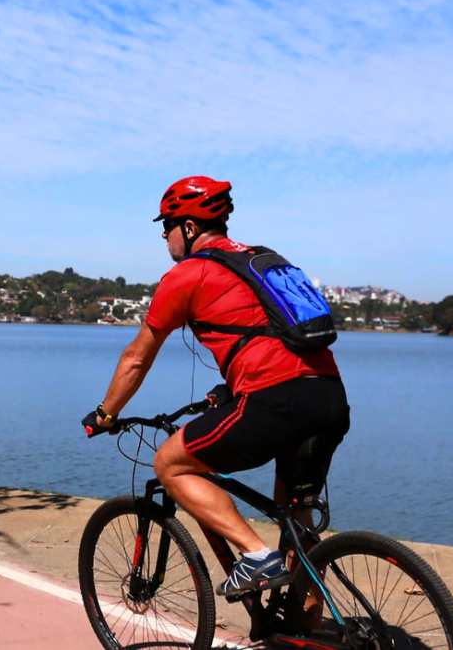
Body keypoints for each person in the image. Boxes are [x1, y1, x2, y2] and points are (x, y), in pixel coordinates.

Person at [83, 176, 349, 597]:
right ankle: (304, 631)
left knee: (169, 464)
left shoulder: (188, 272)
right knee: (296, 524)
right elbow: (264, 333)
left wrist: (105, 414)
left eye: (166, 226)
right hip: (330, 397)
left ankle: (255, 555)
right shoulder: (264, 260)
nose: (164, 237)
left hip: (277, 400)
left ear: (188, 228)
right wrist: (233, 388)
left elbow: (137, 358)